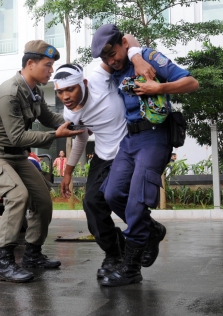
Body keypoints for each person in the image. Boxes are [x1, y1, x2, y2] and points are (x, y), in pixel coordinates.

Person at [92, 24, 199, 287]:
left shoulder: (149, 58)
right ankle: (152, 230)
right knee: (111, 194)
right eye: (106, 58)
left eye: (114, 54)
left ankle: (131, 268)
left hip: (155, 137)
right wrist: (132, 56)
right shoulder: (121, 61)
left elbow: (191, 82)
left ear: (123, 46)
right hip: (130, 139)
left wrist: (158, 88)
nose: (112, 61)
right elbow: (128, 38)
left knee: (137, 201)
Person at [0, 40, 84, 283]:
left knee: (43, 201)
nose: (51, 71)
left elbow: (48, 117)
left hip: (17, 155)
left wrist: (73, 122)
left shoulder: (35, 90)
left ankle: (33, 255)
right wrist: (56, 135)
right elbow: (17, 136)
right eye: (47, 65)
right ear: (30, 63)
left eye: (52, 66)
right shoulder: (9, 92)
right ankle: (3, 263)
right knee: (18, 197)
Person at [54, 47, 158, 280]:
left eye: (70, 89)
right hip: (102, 155)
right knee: (92, 204)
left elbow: (125, 42)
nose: (66, 97)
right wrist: (68, 172)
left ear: (84, 82)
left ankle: (148, 232)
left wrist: (138, 59)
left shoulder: (99, 74)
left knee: (119, 199)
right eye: (60, 92)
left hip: (128, 149)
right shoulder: (70, 114)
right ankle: (114, 253)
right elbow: (81, 136)